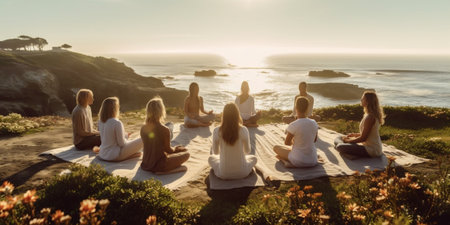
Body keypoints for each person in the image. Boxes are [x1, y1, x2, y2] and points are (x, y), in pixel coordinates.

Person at [209, 103, 257, 180]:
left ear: (224, 115)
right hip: (242, 173)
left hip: (224, 174)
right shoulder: (243, 129)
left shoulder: (217, 130)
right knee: (254, 158)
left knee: (210, 158)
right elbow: (247, 151)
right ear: (237, 114)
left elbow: (216, 152)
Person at [141, 97, 190, 172]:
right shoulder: (164, 129)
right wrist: (176, 149)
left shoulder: (143, 128)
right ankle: (164, 171)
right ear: (161, 111)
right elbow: (169, 150)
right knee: (186, 154)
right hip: (159, 164)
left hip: (145, 163)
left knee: (179, 150)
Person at [334, 91, 384, 158]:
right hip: (366, 146)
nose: (361, 100)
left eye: (362, 99)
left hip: (372, 150)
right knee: (339, 138)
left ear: (368, 101)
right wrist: (354, 135)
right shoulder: (368, 115)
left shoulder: (370, 117)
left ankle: (349, 150)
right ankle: (349, 148)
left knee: (340, 146)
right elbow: (367, 134)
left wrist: (348, 141)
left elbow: (363, 138)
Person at [273, 97, 319, 167]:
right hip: (313, 160)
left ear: (296, 108)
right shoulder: (314, 122)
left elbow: (287, 143)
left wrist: (295, 142)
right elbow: (315, 140)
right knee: (295, 147)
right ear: (307, 108)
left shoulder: (294, 124)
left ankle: (287, 161)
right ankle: (287, 159)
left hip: (298, 161)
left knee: (276, 147)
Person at [97, 97, 143, 161]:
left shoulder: (100, 122)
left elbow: (108, 138)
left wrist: (125, 136)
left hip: (102, 154)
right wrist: (126, 137)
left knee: (133, 142)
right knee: (143, 138)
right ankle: (128, 156)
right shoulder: (116, 122)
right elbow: (122, 144)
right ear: (114, 108)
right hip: (114, 155)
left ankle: (132, 154)